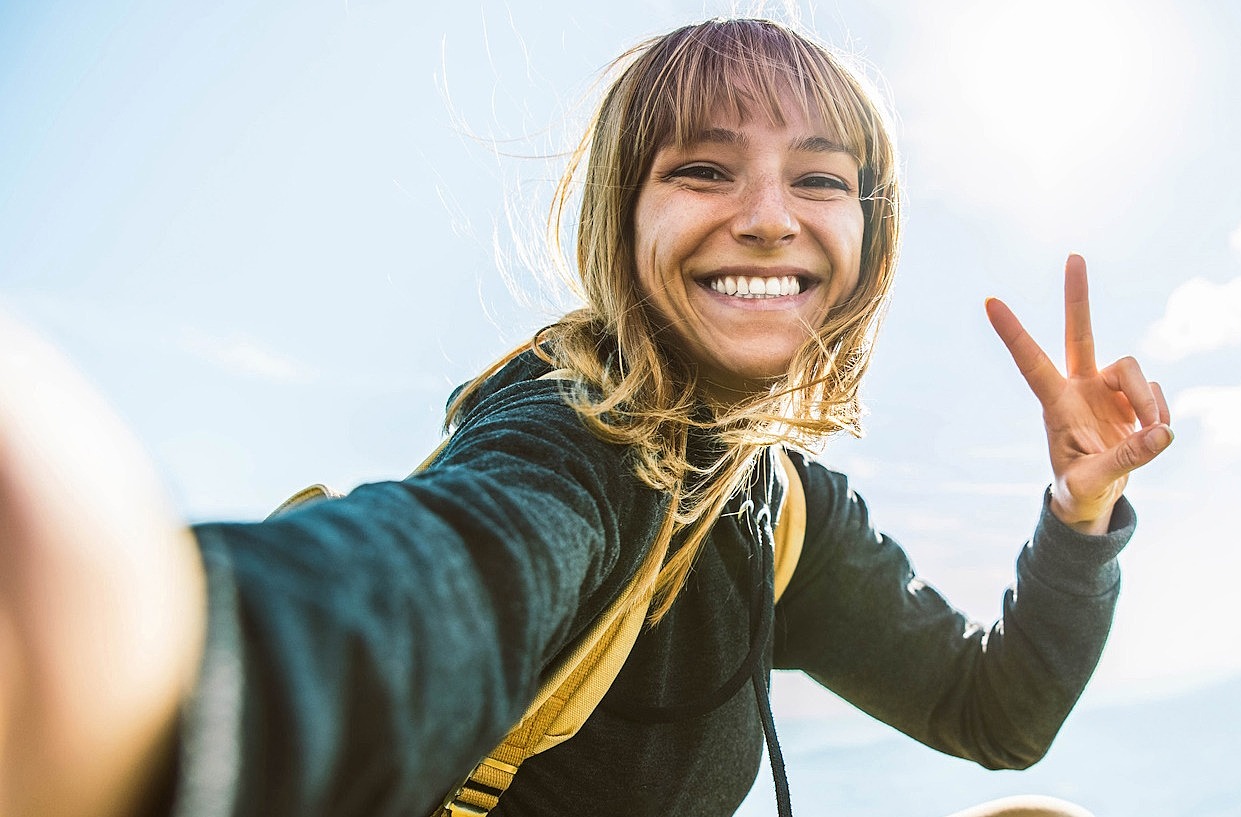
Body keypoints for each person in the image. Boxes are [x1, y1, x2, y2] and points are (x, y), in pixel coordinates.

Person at [0, 17, 1172, 817]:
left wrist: (1081, 511)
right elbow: (453, 575)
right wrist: (167, 673)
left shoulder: (786, 511)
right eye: (704, 170)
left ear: (868, 236)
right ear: (624, 222)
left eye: (819, 178)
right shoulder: (576, 433)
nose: (769, 217)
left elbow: (991, 711)